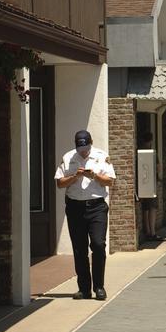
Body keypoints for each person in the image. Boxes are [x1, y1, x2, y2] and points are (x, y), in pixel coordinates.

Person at [55, 129, 116, 301]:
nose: (83, 152)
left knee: (98, 244)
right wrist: (75, 176)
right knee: (79, 248)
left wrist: (94, 176)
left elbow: (110, 181)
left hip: (96, 207)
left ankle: (99, 287)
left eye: (86, 148)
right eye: (80, 148)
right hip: (75, 208)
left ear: (91, 143)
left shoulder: (101, 156)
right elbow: (60, 183)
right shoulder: (68, 157)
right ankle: (84, 289)